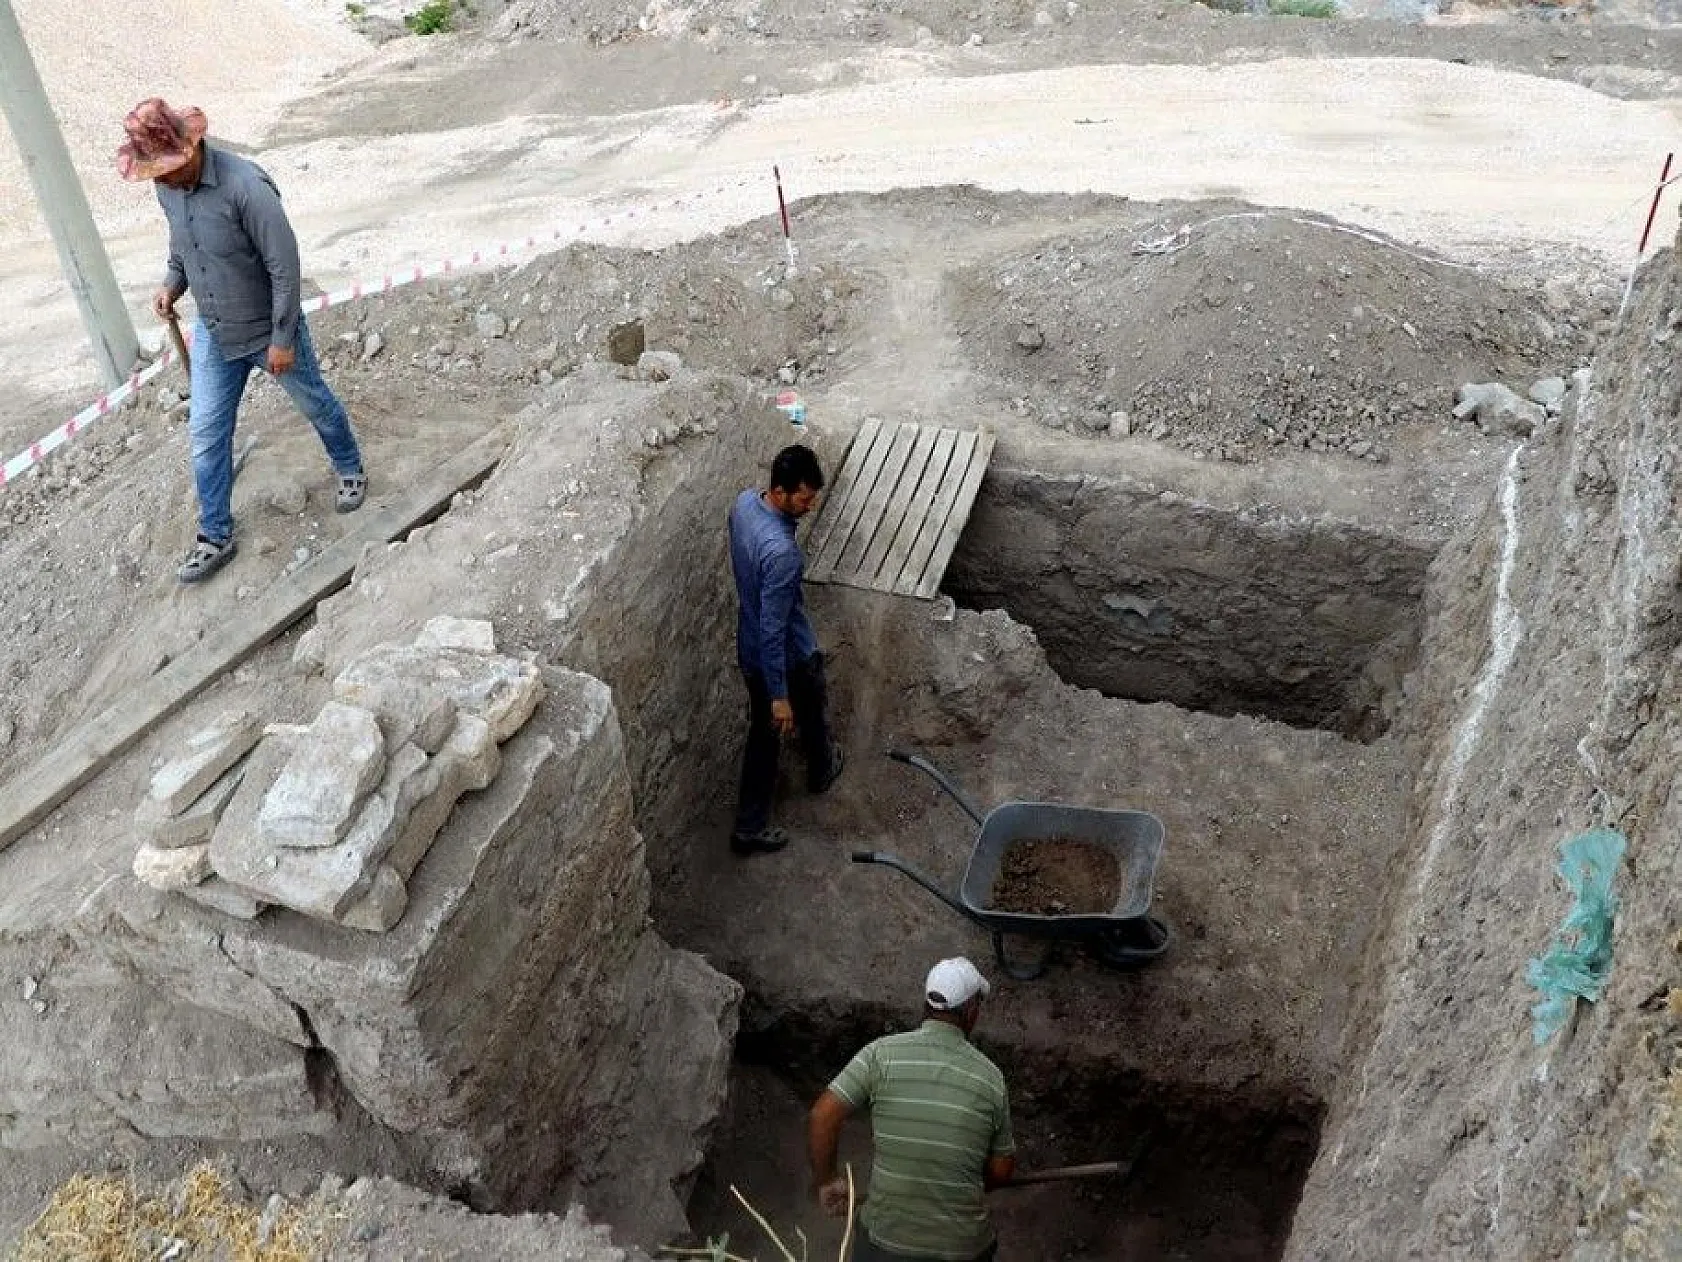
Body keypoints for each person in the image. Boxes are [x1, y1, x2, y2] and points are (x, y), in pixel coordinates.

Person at [117, 98, 369, 584]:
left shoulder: (246, 188)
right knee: (207, 435)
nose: (160, 180)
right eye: (153, 173)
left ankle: (349, 465)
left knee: (315, 402)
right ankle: (216, 534)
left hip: (267, 330)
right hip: (214, 332)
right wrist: (172, 285)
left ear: (190, 150)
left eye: (164, 169)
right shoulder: (168, 190)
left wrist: (282, 338)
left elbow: (284, 267)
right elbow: (182, 246)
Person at [808, 958, 1017, 1262]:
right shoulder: (991, 1079)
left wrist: (826, 1180)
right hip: (961, 1250)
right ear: (971, 1013)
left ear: (927, 1004)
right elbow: (1001, 1171)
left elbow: (822, 1116)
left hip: (884, 1246)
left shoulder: (880, 1055)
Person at [728, 443, 844, 855]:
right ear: (779, 490)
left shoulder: (745, 505)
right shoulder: (782, 555)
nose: (809, 506)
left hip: (749, 644)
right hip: (781, 654)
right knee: (796, 711)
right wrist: (779, 695)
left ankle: (753, 820)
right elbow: (773, 630)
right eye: (804, 498)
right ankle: (819, 772)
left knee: (767, 730)